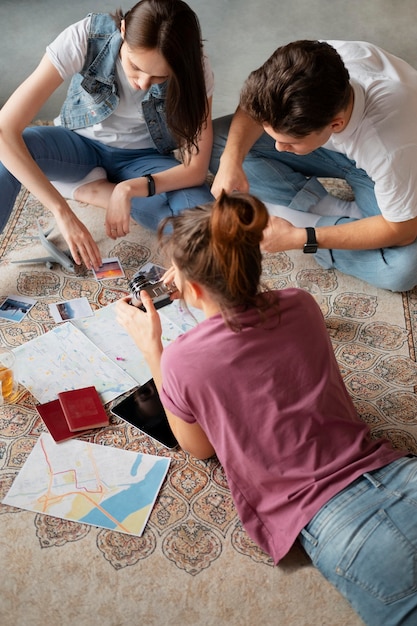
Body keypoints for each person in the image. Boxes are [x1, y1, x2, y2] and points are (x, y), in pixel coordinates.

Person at [116, 191, 417, 625]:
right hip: (397, 470)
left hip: (335, 522)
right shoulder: (303, 303)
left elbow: (197, 447)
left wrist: (152, 350)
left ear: (191, 288)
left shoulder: (181, 359)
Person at [0, 0, 214, 270]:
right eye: (135, 67)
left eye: (159, 77)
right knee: (9, 155)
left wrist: (127, 189)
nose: (143, 83)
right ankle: (87, 189)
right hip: (77, 146)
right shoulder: (87, 36)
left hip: (143, 160)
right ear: (123, 30)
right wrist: (61, 212)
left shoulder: (195, 66)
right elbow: (4, 131)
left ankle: (95, 190)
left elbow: (195, 170)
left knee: (203, 217)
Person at [209, 40, 417, 292]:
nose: (277, 148)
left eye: (289, 142)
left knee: (403, 268)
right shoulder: (313, 62)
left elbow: (403, 230)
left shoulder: (389, 147)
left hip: (390, 168)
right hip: (347, 150)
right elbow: (256, 104)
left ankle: (322, 221)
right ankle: (332, 210)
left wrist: (303, 238)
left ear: (335, 125)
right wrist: (231, 160)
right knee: (218, 142)